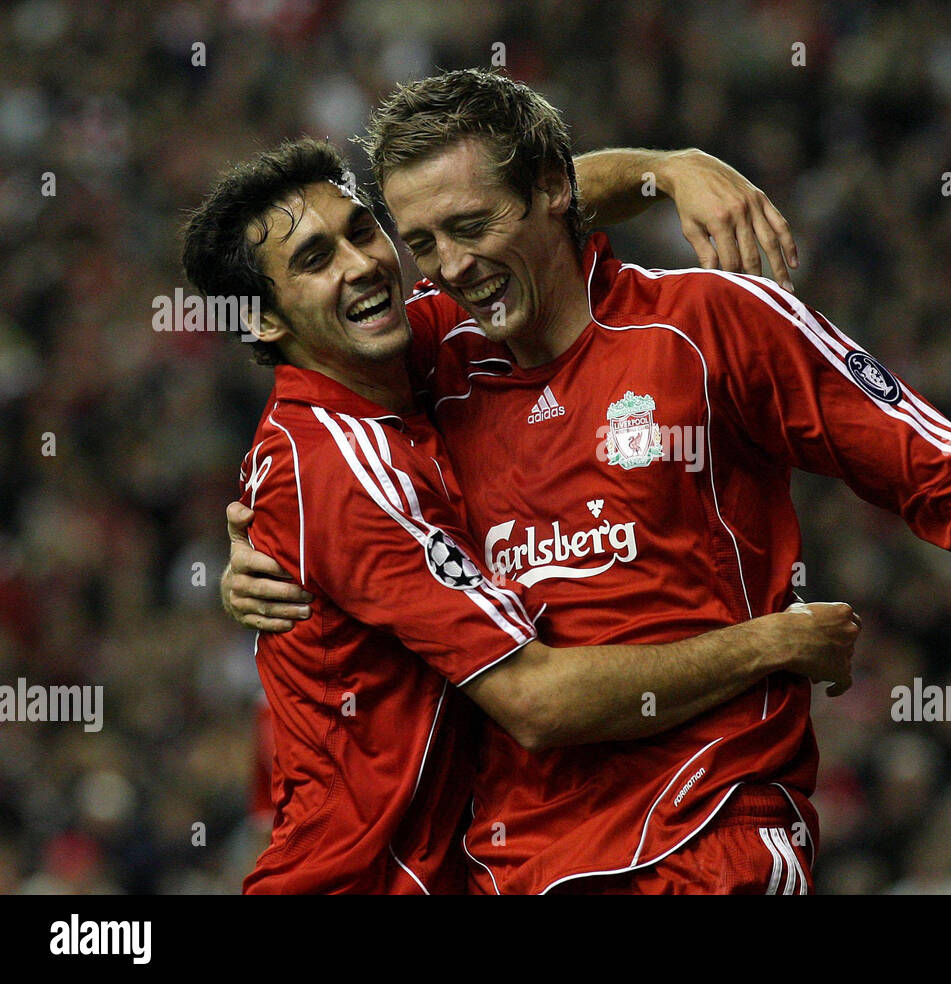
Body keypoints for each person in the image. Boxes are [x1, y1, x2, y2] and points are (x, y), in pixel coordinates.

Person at [228, 70, 951, 895]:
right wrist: (262, 546)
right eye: (422, 242)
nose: (446, 266)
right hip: (520, 865)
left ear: (549, 191)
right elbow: (313, 448)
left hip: (710, 833)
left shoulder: (718, 326)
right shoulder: (431, 359)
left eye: (469, 226)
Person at [186, 138, 858, 893]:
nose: (361, 264)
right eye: (314, 260)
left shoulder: (408, 362)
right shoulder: (342, 466)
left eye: (361, 231)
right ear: (266, 324)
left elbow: (520, 215)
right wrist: (776, 644)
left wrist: (670, 170)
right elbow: (535, 702)